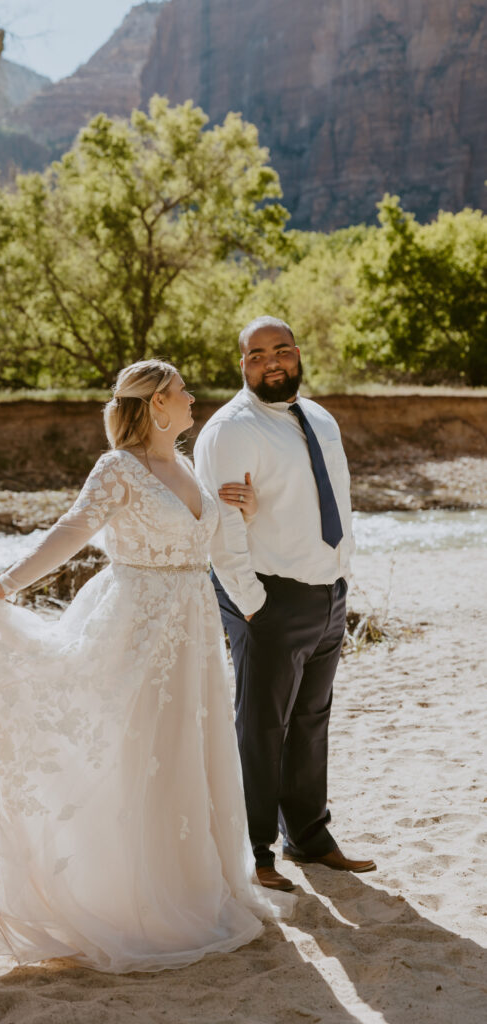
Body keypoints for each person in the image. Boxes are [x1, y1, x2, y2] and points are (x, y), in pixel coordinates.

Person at [0, 359, 294, 975]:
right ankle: (132, 898)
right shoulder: (118, 469)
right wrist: (9, 583)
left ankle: (195, 886)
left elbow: (203, 539)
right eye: (182, 392)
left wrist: (242, 516)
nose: (193, 397)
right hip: (138, 626)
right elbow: (74, 529)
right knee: (136, 753)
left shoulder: (189, 466)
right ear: (155, 405)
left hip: (194, 630)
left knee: (187, 751)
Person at [194, 317, 376, 893]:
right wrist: (251, 603)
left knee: (310, 720)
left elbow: (334, 498)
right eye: (255, 354)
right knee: (261, 726)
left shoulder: (320, 417)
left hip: (328, 592)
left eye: (280, 350)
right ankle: (256, 850)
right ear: (241, 363)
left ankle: (310, 837)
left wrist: (341, 575)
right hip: (268, 597)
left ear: (297, 354)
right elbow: (223, 525)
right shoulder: (230, 430)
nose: (270, 362)